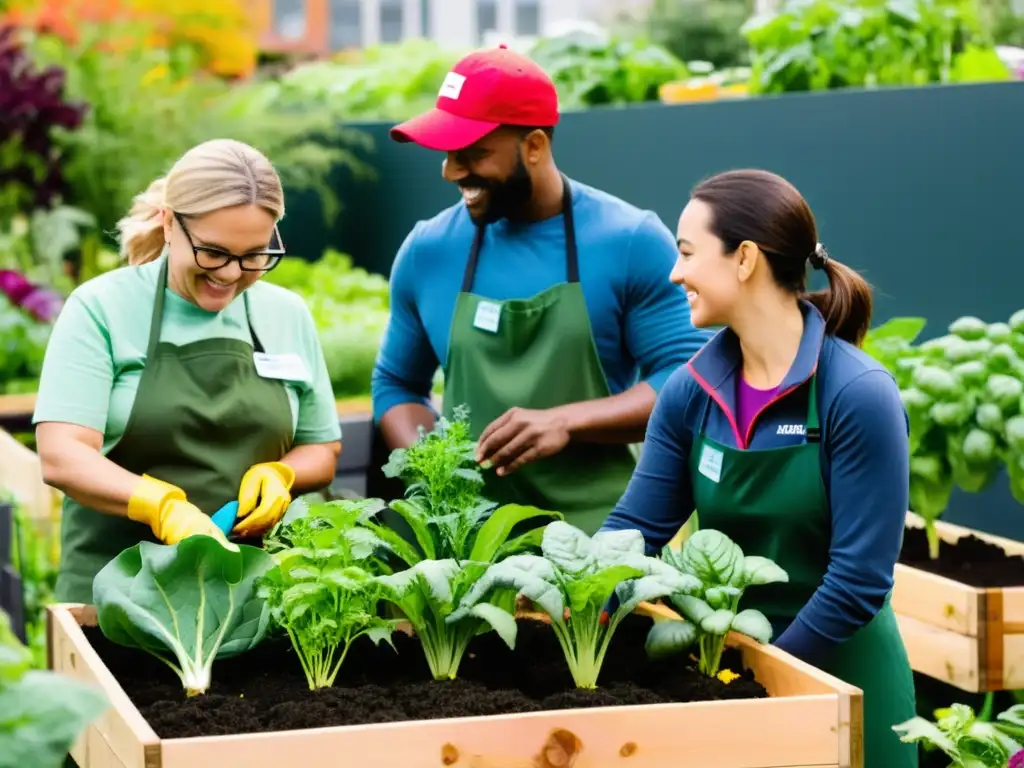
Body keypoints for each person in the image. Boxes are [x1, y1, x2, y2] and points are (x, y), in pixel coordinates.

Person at [600, 169, 917, 766]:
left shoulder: (856, 394)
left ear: (744, 258)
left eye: (687, 253)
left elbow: (858, 584)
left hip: (844, 690)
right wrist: (573, 593)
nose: (675, 274)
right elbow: (634, 529)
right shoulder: (691, 392)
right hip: (737, 685)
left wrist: (752, 680)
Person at [372, 45, 709, 534]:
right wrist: (434, 468)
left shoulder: (629, 241)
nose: (451, 170)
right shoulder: (429, 249)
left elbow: (687, 382)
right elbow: (396, 384)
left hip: (601, 541)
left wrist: (565, 421)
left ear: (534, 146)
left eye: (473, 152)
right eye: (447, 153)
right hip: (467, 543)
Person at [34, 139, 342, 604]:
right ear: (169, 222)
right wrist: (160, 508)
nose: (231, 274)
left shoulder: (286, 314)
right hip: (120, 602)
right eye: (213, 253)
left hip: (259, 598)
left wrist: (282, 475)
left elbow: (322, 447)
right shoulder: (102, 308)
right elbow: (62, 455)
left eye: (254, 255)